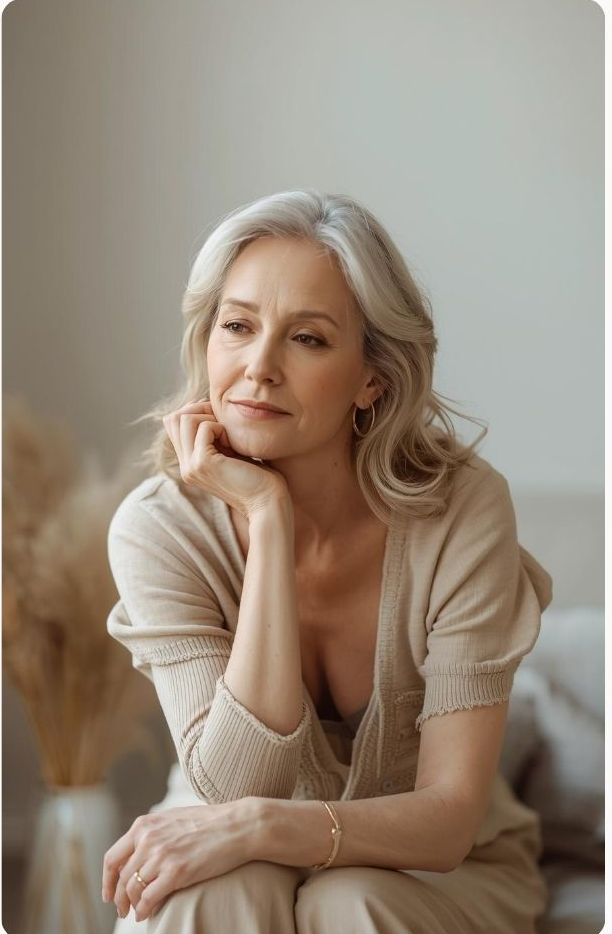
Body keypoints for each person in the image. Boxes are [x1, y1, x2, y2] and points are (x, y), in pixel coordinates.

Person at [102, 189, 553, 933]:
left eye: (307, 339)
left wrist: (267, 829)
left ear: (372, 378)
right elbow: (234, 788)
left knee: (354, 903)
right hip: (223, 838)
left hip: (438, 867)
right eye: (237, 326)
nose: (258, 367)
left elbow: (445, 820)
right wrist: (270, 521)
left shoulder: (463, 512)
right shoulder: (157, 530)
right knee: (203, 897)